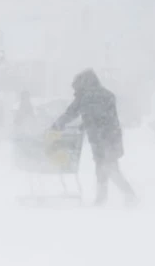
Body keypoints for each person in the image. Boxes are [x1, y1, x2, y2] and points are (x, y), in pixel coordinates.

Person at [52, 68, 137, 206]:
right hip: (112, 137)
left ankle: (122, 195)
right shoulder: (107, 95)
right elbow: (104, 117)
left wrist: (56, 126)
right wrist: (85, 124)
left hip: (99, 139)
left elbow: (71, 113)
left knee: (108, 168)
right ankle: (106, 197)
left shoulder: (85, 97)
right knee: (106, 167)